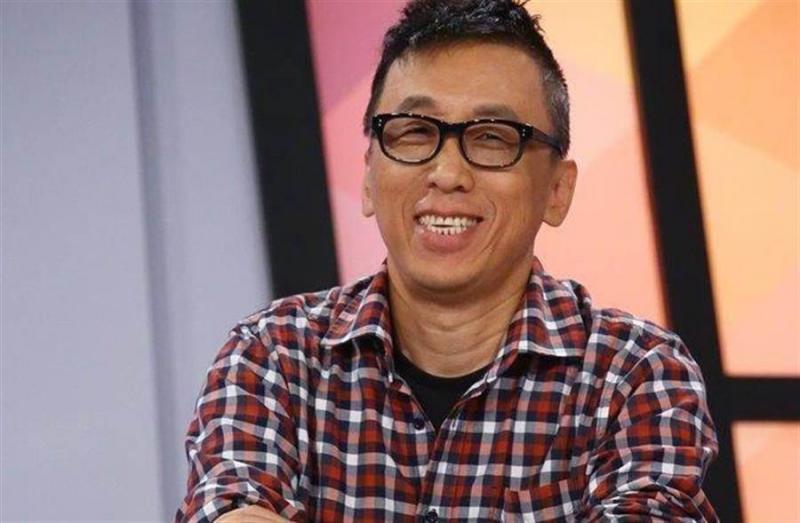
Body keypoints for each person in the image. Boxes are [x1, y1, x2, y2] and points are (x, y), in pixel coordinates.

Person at [176, 0, 718, 521]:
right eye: (416, 132)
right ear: (367, 175)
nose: (448, 174)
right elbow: (232, 508)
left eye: (493, 138)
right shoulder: (274, 355)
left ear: (558, 189)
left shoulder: (635, 374)